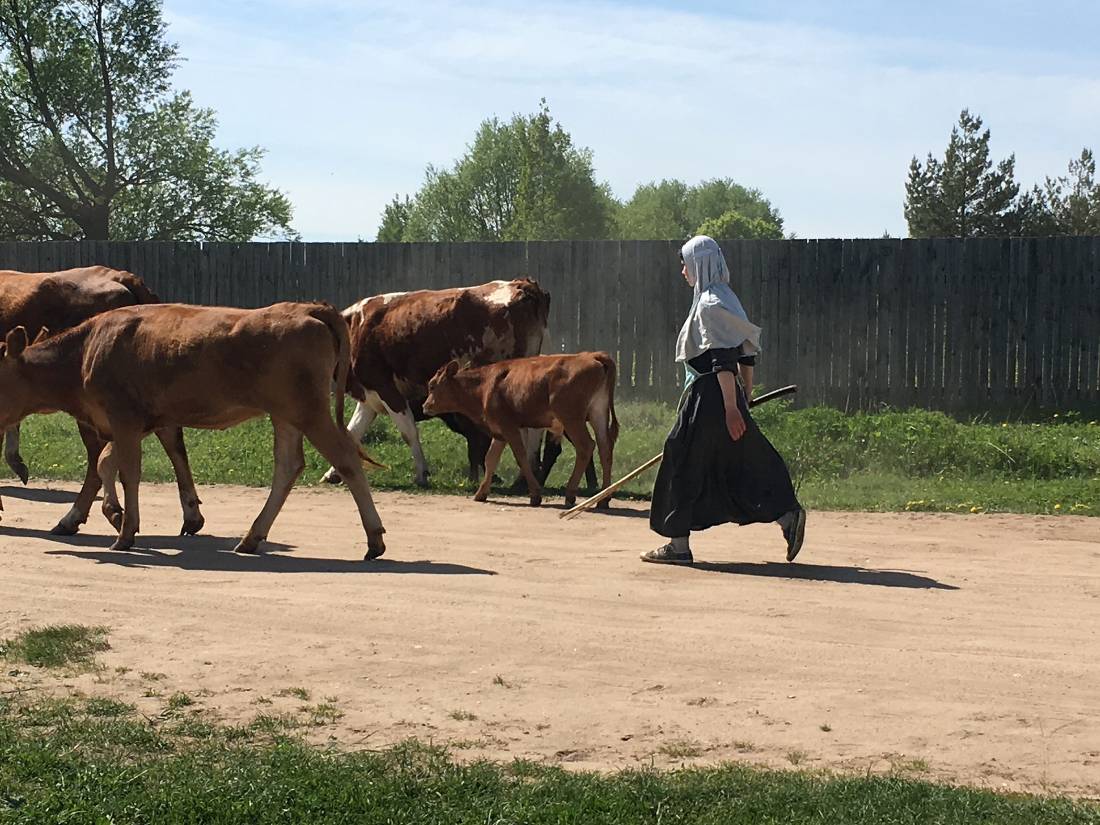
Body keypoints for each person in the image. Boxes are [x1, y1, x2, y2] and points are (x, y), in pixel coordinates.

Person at [642, 235, 807, 566]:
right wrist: (744, 397)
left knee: (681, 460)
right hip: (723, 395)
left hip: (708, 398)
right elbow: (746, 356)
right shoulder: (726, 298)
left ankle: (678, 546)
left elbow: (721, 358)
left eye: (685, 264)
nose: (683, 271)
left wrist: (733, 408)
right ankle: (787, 516)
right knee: (736, 463)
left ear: (699, 265)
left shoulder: (709, 304)